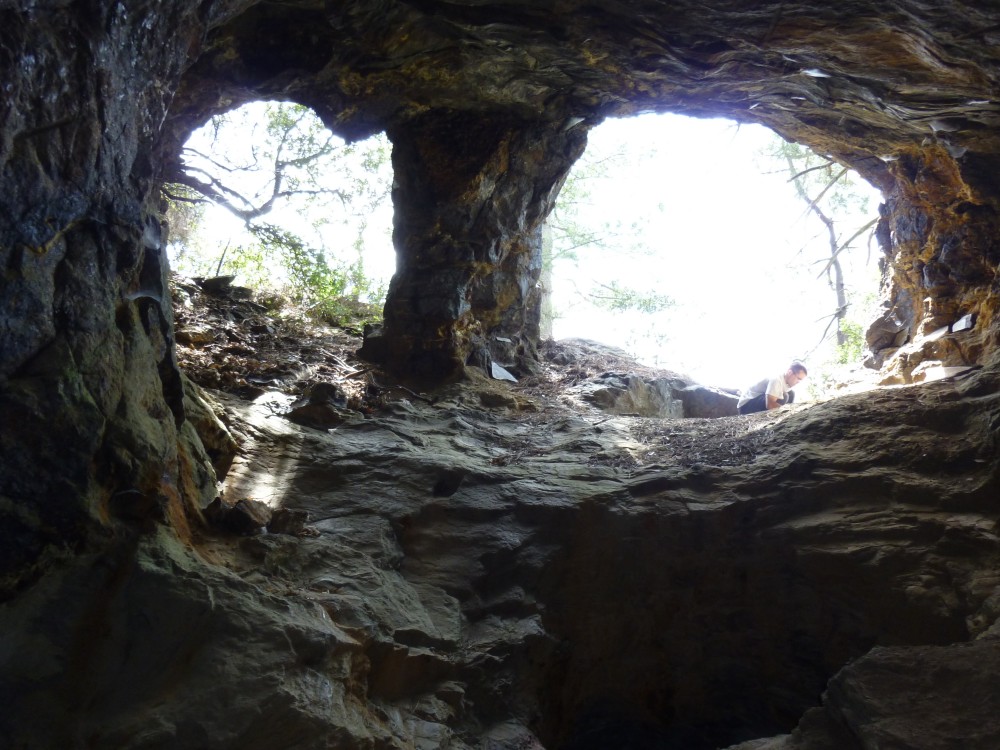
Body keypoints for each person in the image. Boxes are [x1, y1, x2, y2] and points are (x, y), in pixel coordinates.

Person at [737, 362, 808, 415]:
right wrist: (789, 412)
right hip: (746, 406)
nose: (799, 382)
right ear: (790, 372)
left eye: (801, 380)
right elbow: (770, 404)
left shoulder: (787, 385)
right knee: (785, 397)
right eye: (798, 378)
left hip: (756, 403)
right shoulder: (776, 379)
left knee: (790, 394)